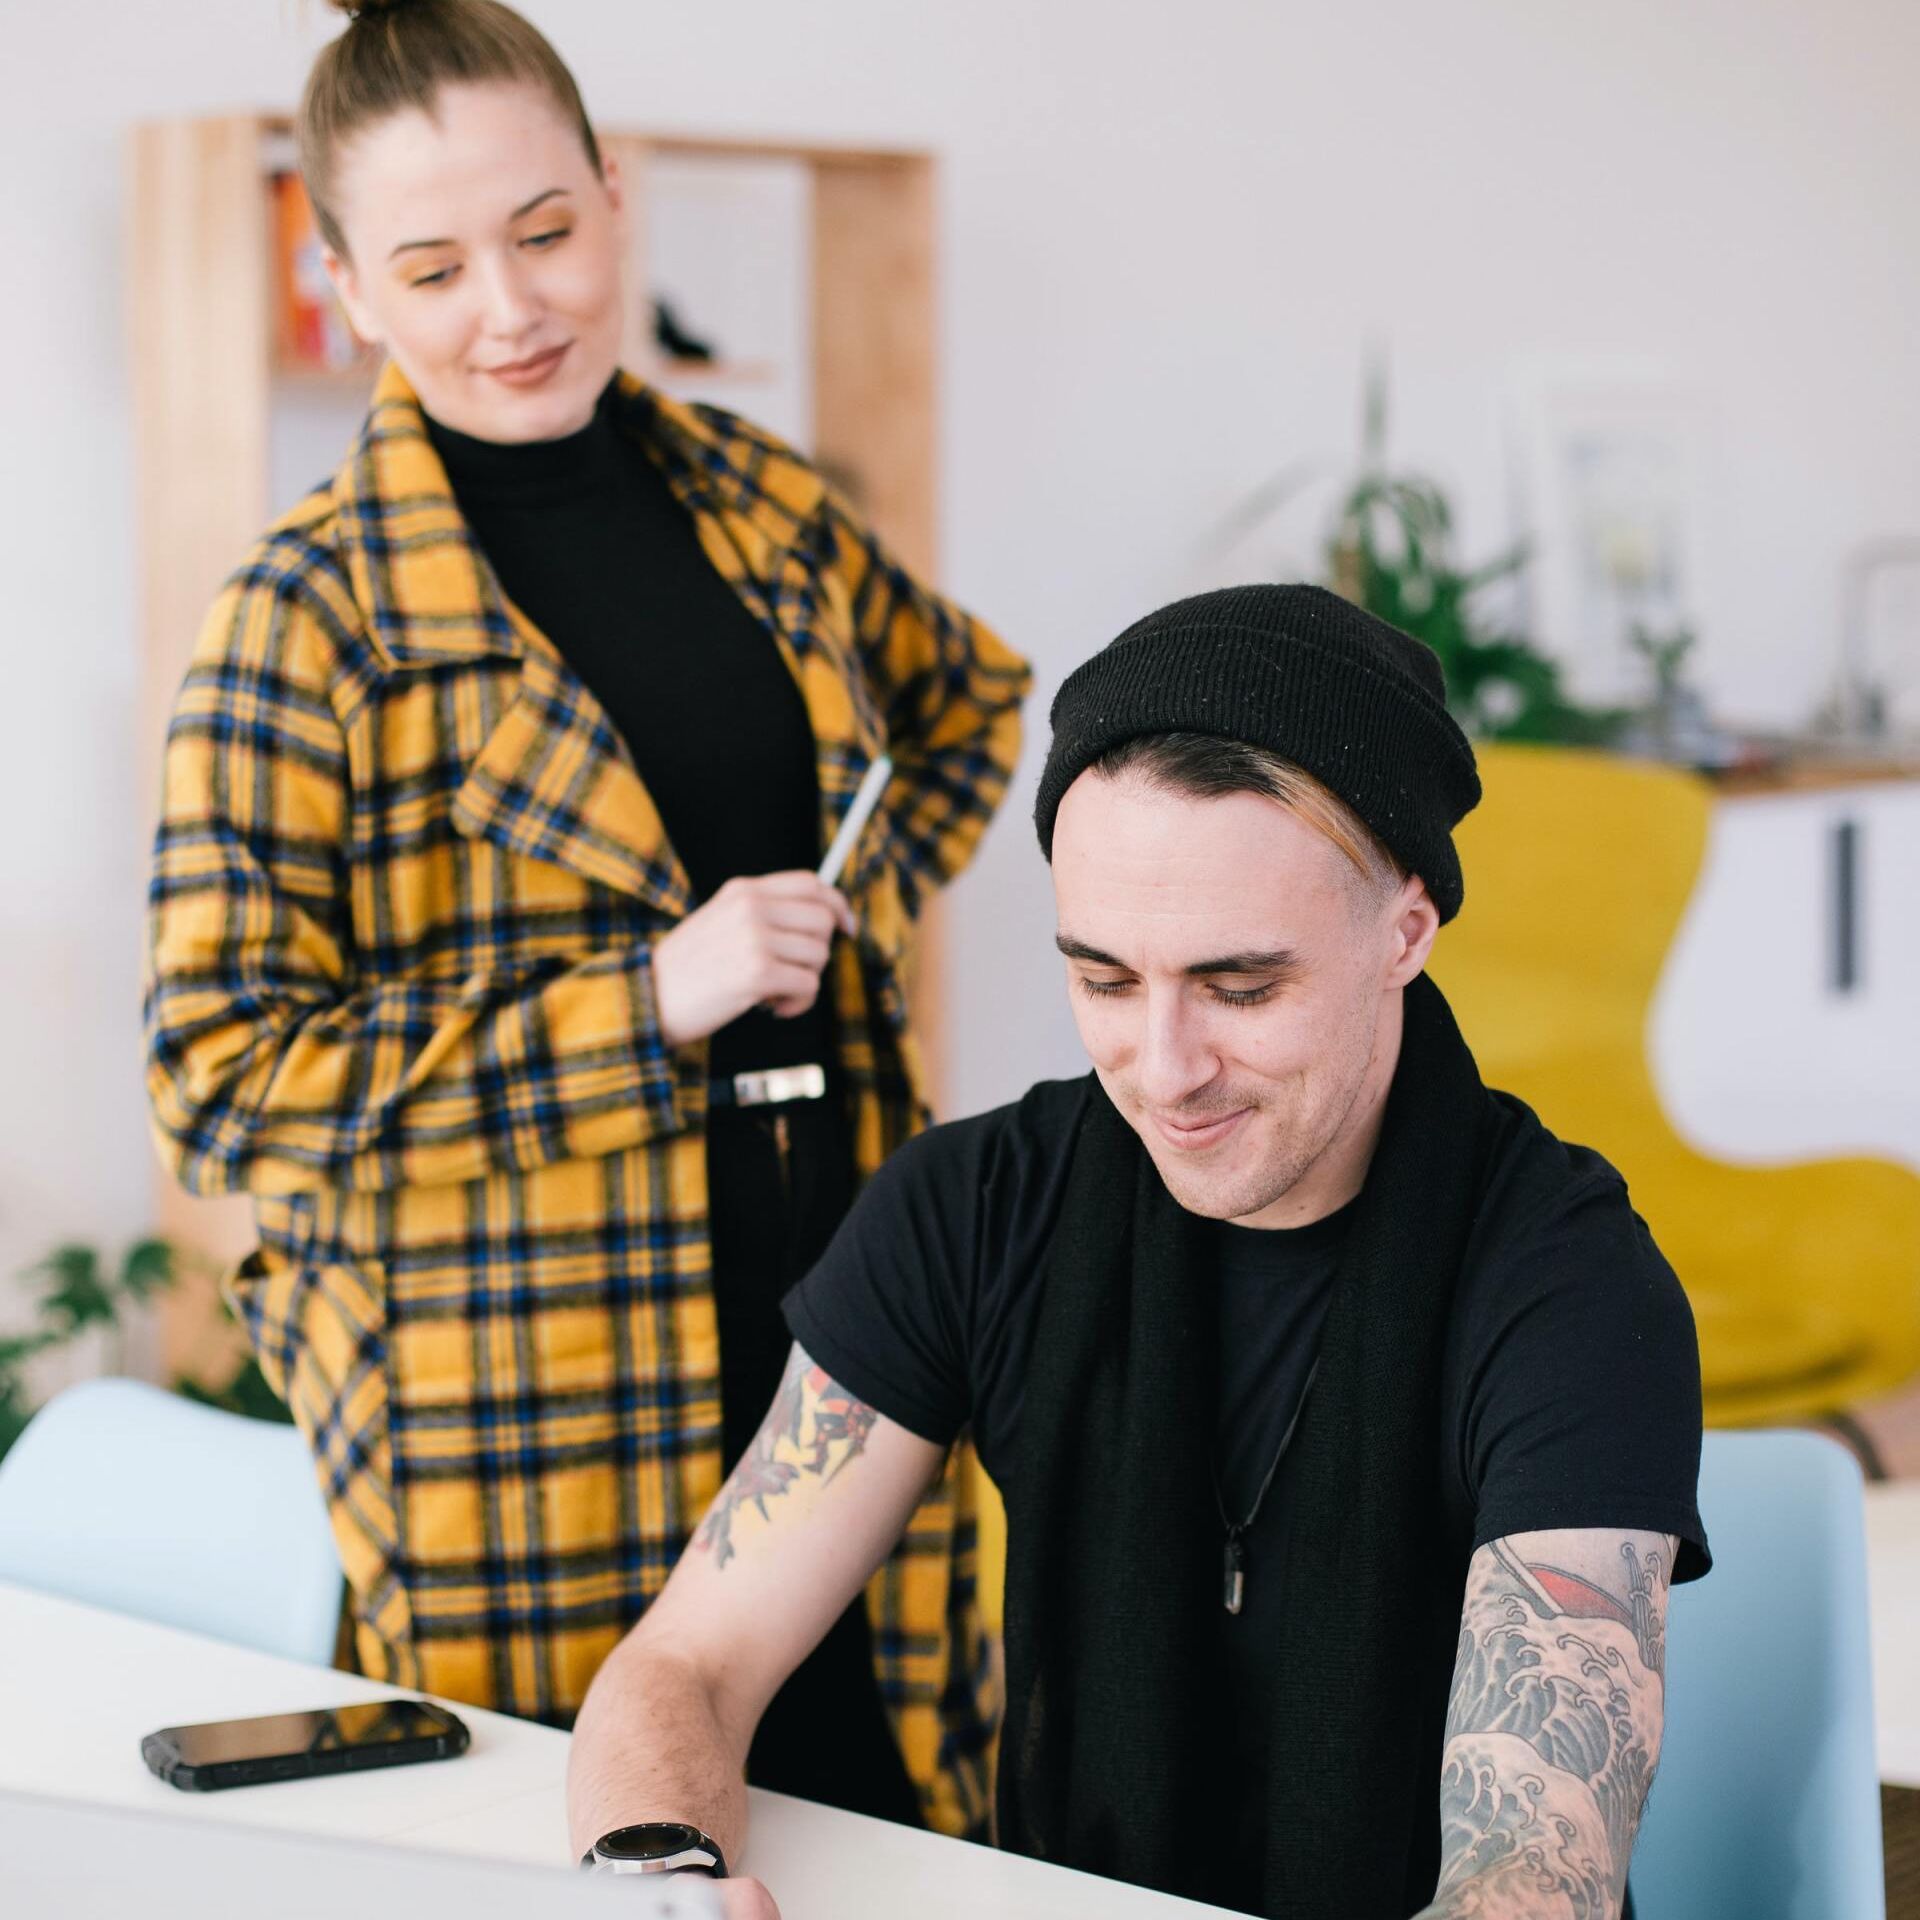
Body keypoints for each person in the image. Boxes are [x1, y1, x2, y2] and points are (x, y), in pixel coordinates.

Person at [142, 0, 1029, 1837]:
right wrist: (649, 1003)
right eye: (435, 264)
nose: (510, 307)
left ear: (617, 199)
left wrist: (835, 933)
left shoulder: (753, 496)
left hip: (848, 1295)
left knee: (888, 1800)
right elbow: (223, 1088)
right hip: (519, 1375)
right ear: (348, 289)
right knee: (594, 1841)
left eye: (546, 232)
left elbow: (966, 702)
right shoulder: (300, 621)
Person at [565, 585, 1710, 1920]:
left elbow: (1532, 1879)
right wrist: (660, 1884)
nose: (1162, 1071)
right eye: (1105, 981)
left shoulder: (1570, 1288)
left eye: (1241, 989)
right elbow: (686, 1667)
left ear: (1406, 927)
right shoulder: (977, 1208)